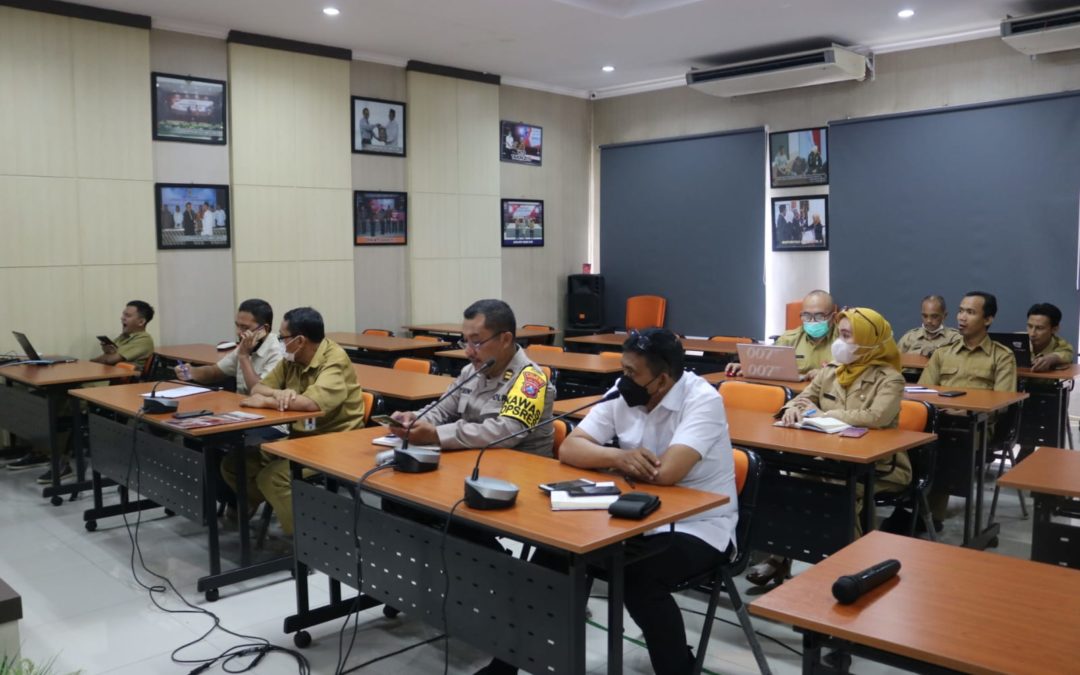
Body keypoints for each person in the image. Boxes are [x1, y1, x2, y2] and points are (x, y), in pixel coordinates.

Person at [552, 328, 738, 675]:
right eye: (623, 369)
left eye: (631, 373)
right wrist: (618, 458)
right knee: (554, 554)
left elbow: (667, 473)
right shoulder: (625, 392)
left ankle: (679, 668)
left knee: (637, 578)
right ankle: (512, 660)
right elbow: (570, 448)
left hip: (700, 525)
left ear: (662, 379)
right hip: (633, 514)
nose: (624, 380)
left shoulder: (703, 400)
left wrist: (608, 459)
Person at [749, 308, 911, 585]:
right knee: (789, 486)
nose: (840, 341)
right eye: (840, 334)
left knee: (841, 493)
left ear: (869, 340)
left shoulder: (891, 378)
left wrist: (821, 414)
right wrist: (792, 409)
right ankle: (779, 558)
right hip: (828, 458)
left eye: (847, 335)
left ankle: (856, 572)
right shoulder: (832, 372)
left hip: (879, 465)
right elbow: (804, 398)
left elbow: (875, 417)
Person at [222, 307, 365, 541]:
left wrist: (267, 402)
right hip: (301, 437)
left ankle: (309, 543)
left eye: (282, 337)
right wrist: (279, 396)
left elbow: (310, 404)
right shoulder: (292, 358)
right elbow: (257, 388)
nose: (279, 342)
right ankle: (286, 509)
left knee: (274, 477)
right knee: (234, 464)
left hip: (336, 442)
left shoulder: (334, 359)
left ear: (299, 340)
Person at [390, 299, 554, 455]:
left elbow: (507, 431)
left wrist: (437, 434)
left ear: (505, 339)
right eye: (465, 341)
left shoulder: (531, 380)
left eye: (476, 342)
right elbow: (442, 409)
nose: (468, 351)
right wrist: (414, 420)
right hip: (474, 462)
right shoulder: (471, 371)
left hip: (522, 472)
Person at [917, 291, 1016, 530]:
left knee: (946, 442)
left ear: (988, 319)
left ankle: (929, 515)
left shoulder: (1001, 357)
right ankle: (913, 505)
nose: (962, 317)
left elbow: (1004, 404)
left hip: (978, 425)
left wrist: (968, 413)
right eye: (961, 311)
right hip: (941, 420)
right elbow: (922, 394)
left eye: (970, 312)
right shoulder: (943, 353)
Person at [175, 299, 282, 395]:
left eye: (245, 327)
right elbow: (215, 372)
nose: (238, 332)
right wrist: (192, 372)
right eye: (237, 325)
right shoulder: (246, 346)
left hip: (265, 412)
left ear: (265, 329)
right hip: (241, 406)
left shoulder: (277, 354)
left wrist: (244, 357)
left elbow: (257, 391)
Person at [726, 289, 837, 380]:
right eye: (806, 315)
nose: (812, 321)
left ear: (833, 317)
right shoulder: (789, 339)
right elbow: (767, 365)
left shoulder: (844, 341)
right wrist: (748, 367)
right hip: (794, 397)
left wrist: (828, 374)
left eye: (819, 316)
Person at [91, 300, 155, 370]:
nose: (122, 318)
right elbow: (108, 357)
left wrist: (91, 363)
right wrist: (108, 352)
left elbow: (109, 360)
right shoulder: (124, 336)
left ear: (141, 322)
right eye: (123, 314)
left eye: (128, 315)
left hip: (124, 379)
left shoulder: (143, 339)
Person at [1026, 302, 1074, 372]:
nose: (1032, 333)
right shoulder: (1015, 339)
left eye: (1039, 328)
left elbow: (1067, 354)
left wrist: (1052, 358)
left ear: (1054, 329)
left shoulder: (1061, 345)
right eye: (1030, 326)